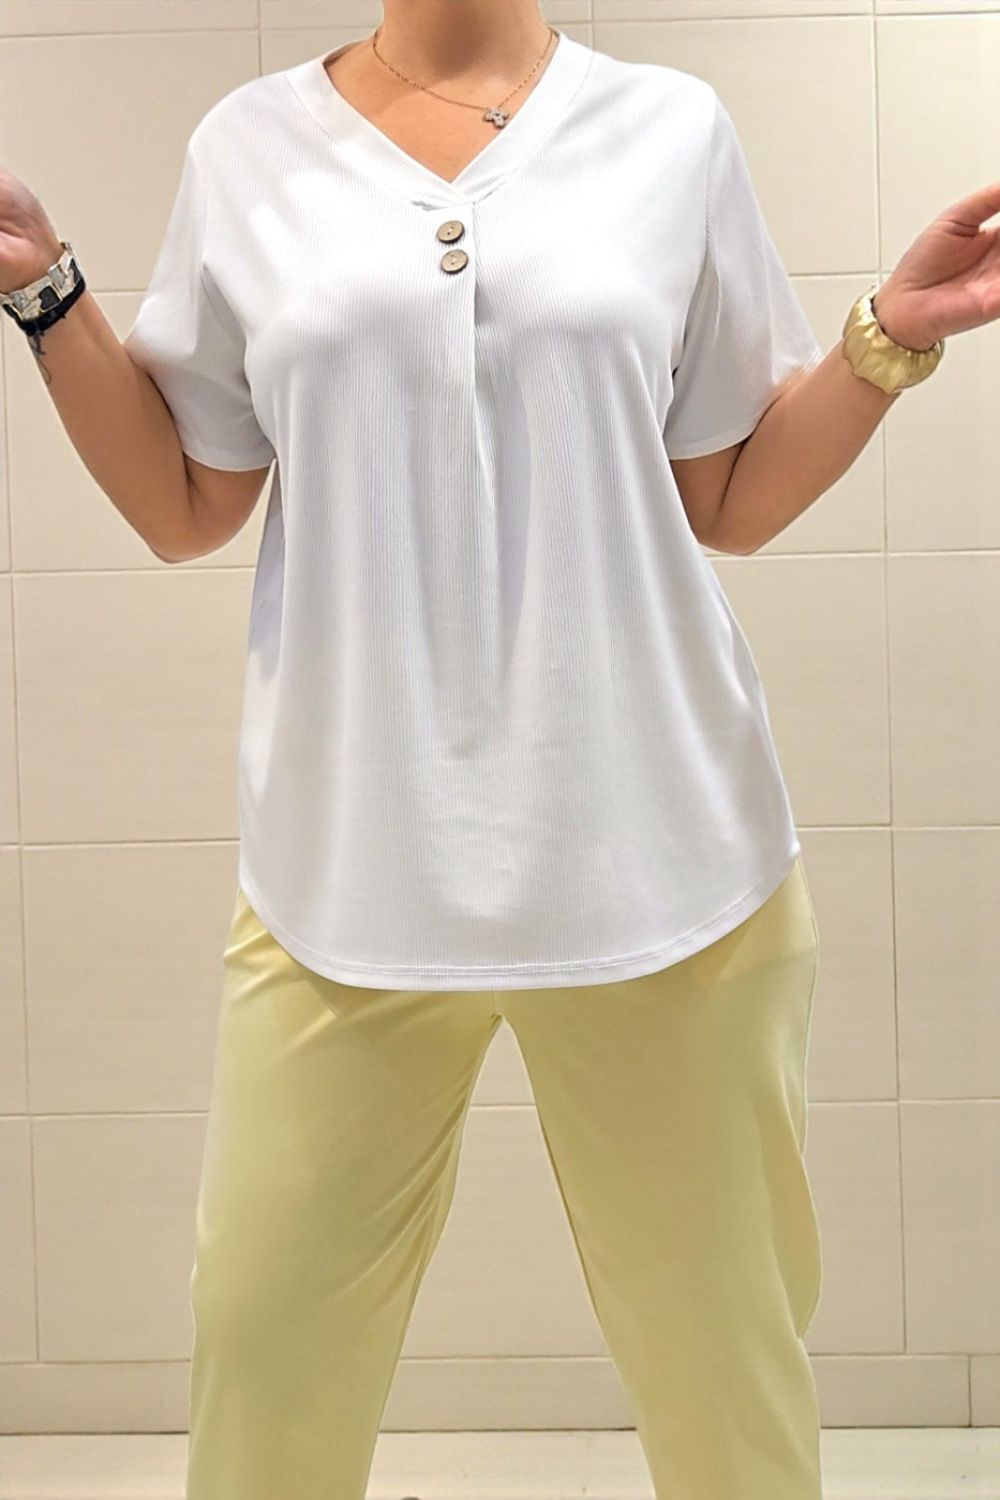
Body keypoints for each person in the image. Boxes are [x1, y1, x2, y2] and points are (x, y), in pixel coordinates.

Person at [1, 0, 955, 1495]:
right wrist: (47, 294)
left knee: (727, 1380)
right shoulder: (247, 147)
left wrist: (889, 337)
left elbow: (730, 499)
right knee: (264, 1362)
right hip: (345, 878)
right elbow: (186, 503)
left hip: (666, 867)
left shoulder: (669, 131)